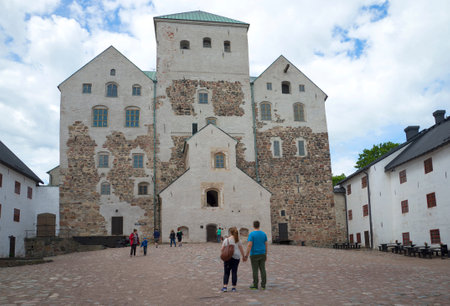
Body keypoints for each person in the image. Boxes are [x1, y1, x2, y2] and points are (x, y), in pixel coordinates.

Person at [221, 227, 246, 292]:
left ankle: (225, 287)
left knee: (226, 272)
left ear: (230, 233)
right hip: (236, 257)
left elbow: (222, 249)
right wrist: (244, 256)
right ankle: (233, 287)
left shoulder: (226, 240)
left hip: (228, 257)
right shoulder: (238, 240)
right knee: (234, 272)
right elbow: (241, 249)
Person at [244, 220, 268, 290]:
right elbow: (266, 245)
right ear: (259, 225)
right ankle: (263, 285)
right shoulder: (263, 234)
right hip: (262, 253)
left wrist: (246, 255)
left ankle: (255, 284)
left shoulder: (252, 234)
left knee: (255, 270)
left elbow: (249, 245)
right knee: (263, 269)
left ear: (253, 225)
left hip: (254, 254)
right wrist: (266, 254)